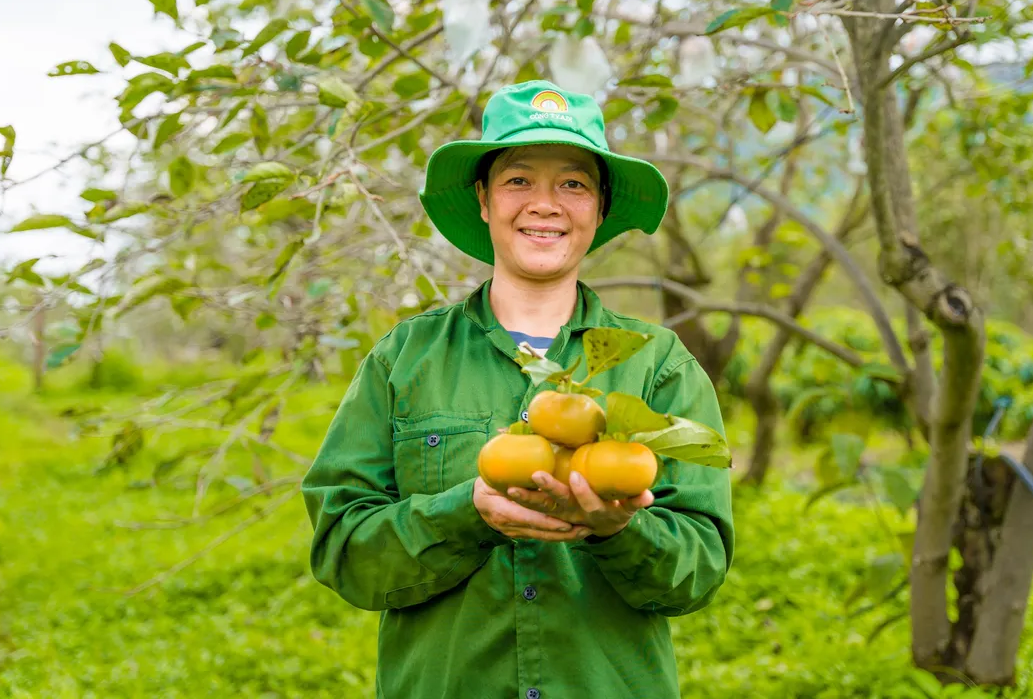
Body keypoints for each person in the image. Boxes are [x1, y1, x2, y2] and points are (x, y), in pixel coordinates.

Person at [301, 80, 734, 699]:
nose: (545, 204)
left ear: (600, 206)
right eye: (518, 180)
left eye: (574, 183)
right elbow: (344, 550)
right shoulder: (405, 358)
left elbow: (699, 570)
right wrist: (465, 512)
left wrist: (617, 530)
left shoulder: (656, 366)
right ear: (483, 199)